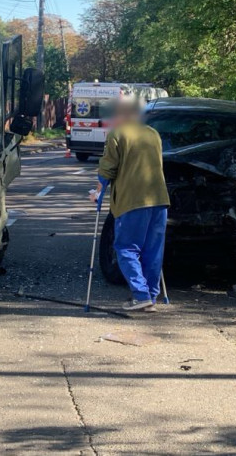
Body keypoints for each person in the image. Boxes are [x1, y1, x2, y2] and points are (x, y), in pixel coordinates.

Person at [92, 97, 170, 312]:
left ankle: (141, 294)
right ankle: (151, 297)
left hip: (132, 200)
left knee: (126, 247)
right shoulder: (153, 134)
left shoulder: (118, 134)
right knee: (153, 250)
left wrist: (98, 193)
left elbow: (108, 167)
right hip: (159, 199)